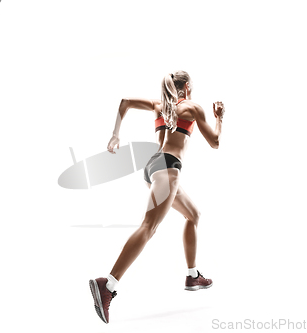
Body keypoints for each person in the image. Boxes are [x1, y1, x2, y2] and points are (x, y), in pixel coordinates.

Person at [89, 70, 225, 324]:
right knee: (149, 227)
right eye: (191, 88)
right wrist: (219, 118)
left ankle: (193, 275)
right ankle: (107, 284)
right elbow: (215, 142)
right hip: (169, 167)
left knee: (193, 214)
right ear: (185, 88)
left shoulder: (159, 105)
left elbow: (125, 102)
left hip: (154, 166)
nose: (192, 93)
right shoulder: (193, 108)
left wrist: (116, 133)